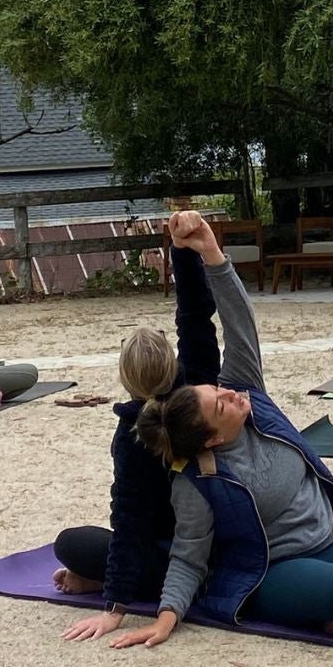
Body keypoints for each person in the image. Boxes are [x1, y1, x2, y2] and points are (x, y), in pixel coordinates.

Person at [63, 211, 333, 646]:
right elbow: (184, 552)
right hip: (273, 569)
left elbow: (225, 320)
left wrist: (206, 251)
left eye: (217, 387)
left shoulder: (247, 392)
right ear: (210, 437)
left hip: (328, 547)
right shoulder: (198, 477)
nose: (229, 393)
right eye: (220, 401)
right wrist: (151, 616)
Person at [47, 214, 222, 604]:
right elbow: (196, 316)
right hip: (223, 544)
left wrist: (114, 598)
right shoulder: (199, 386)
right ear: (174, 363)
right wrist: (182, 250)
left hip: (178, 556)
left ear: (126, 380)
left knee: (70, 543)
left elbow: (127, 521)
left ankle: (114, 580)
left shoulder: (132, 436)